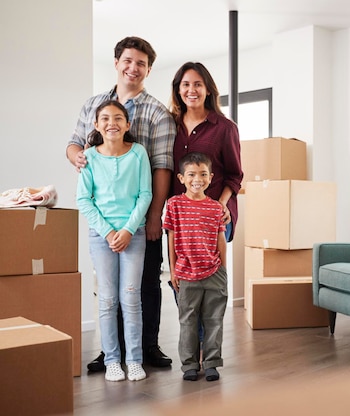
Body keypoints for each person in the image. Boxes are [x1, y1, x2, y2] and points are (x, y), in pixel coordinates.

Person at [67, 36, 176, 372]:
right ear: (117, 62)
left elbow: (162, 167)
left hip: (140, 218)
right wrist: (79, 158)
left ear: (148, 70)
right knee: (111, 291)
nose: (133, 68)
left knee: (144, 284)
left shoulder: (157, 112)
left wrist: (153, 215)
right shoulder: (93, 105)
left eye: (141, 63)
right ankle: (110, 353)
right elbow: (73, 145)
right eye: (128, 60)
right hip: (104, 221)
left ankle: (146, 348)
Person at [76, 100, 152, 381]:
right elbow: (83, 200)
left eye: (119, 118)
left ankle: (134, 359)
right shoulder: (89, 158)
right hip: (101, 237)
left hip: (134, 234)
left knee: (131, 298)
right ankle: (112, 361)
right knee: (107, 300)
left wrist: (129, 230)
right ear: (96, 125)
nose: (112, 123)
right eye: (105, 118)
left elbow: (145, 194)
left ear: (128, 124)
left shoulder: (138, 154)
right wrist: (109, 232)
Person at [163, 152, 228, 382]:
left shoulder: (216, 208)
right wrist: (172, 270)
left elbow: (221, 241)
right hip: (185, 273)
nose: (196, 179)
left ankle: (211, 363)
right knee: (188, 321)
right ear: (181, 178)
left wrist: (223, 271)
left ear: (211, 177)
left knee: (214, 320)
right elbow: (170, 239)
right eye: (191, 174)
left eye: (202, 174)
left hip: (214, 273)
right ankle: (189, 364)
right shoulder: (174, 205)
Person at [169, 61, 242, 241]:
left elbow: (234, 176)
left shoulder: (225, 128)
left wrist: (220, 205)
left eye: (198, 84)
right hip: (181, 216)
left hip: (215, 212)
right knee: (181, 269)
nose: (191, 90)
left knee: (213, 269)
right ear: (178, 90)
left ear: (208, 89)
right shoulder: (169, 125)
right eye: (185, 84)